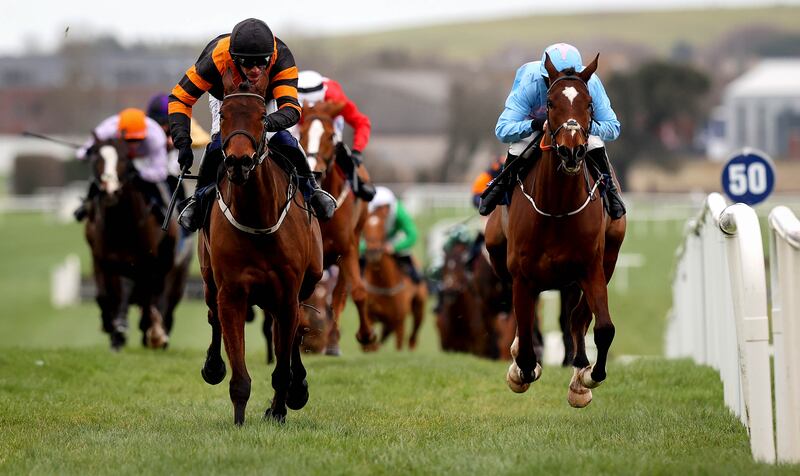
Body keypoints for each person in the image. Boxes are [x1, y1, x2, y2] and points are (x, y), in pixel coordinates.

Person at [167, 18, 336, 232]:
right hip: (225, 97)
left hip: (264, 99)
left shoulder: (281, 56)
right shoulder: (216, 58)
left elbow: (291, 109)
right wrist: (183, 143)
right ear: (234, 58)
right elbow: (179, 98)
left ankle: (312, 191)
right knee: (219, 143)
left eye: (262, 61)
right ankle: (198, 200)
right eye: (247, 62)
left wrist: (264, 124)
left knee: (283, 139)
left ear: (270, 55)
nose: (256, 69)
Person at [479, 42, 625, 219]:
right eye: (552, 80)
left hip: (575, 130)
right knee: (518, 147)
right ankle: (502, 186)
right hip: (537, 125)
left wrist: (586, 126)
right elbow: (502, 130)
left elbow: (613, 128)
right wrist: (534, 124)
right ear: (545, 75)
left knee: (594, 143)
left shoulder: (591, 83)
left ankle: (609, 189)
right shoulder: (530, 82)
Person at [74, 107, 169, 222]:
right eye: (129, 140)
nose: (133, 145)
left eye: (138, 139)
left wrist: (140, 174)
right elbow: (81, 153)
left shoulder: (156, 136)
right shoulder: (107, 129)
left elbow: (161, 172)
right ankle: (87, 204)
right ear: (119, 133)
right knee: (101, 174)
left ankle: (160, 207)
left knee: (150, 185)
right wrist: (88, 152)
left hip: (144, 160)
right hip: (119, 159)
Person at [294, 70, 376, 201]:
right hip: (298, 122)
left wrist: (357, 150)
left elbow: (361, 122)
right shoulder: (287, 97)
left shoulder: (335, 98)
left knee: (332, 144)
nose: (311, 108)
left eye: (313, 104)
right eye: (306, 106)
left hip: (329, 118)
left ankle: (357, 182)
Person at [363, 186, 422, 283]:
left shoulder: (399, 211)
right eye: (379, 208)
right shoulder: (366, 213)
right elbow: (355, 238)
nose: (384, 212)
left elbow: (412, 235)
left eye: (386, 207)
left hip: (393, 239)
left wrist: (394, 247)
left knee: (406, 255)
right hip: (372, 243)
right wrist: (367, 246)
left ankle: (416, 280)